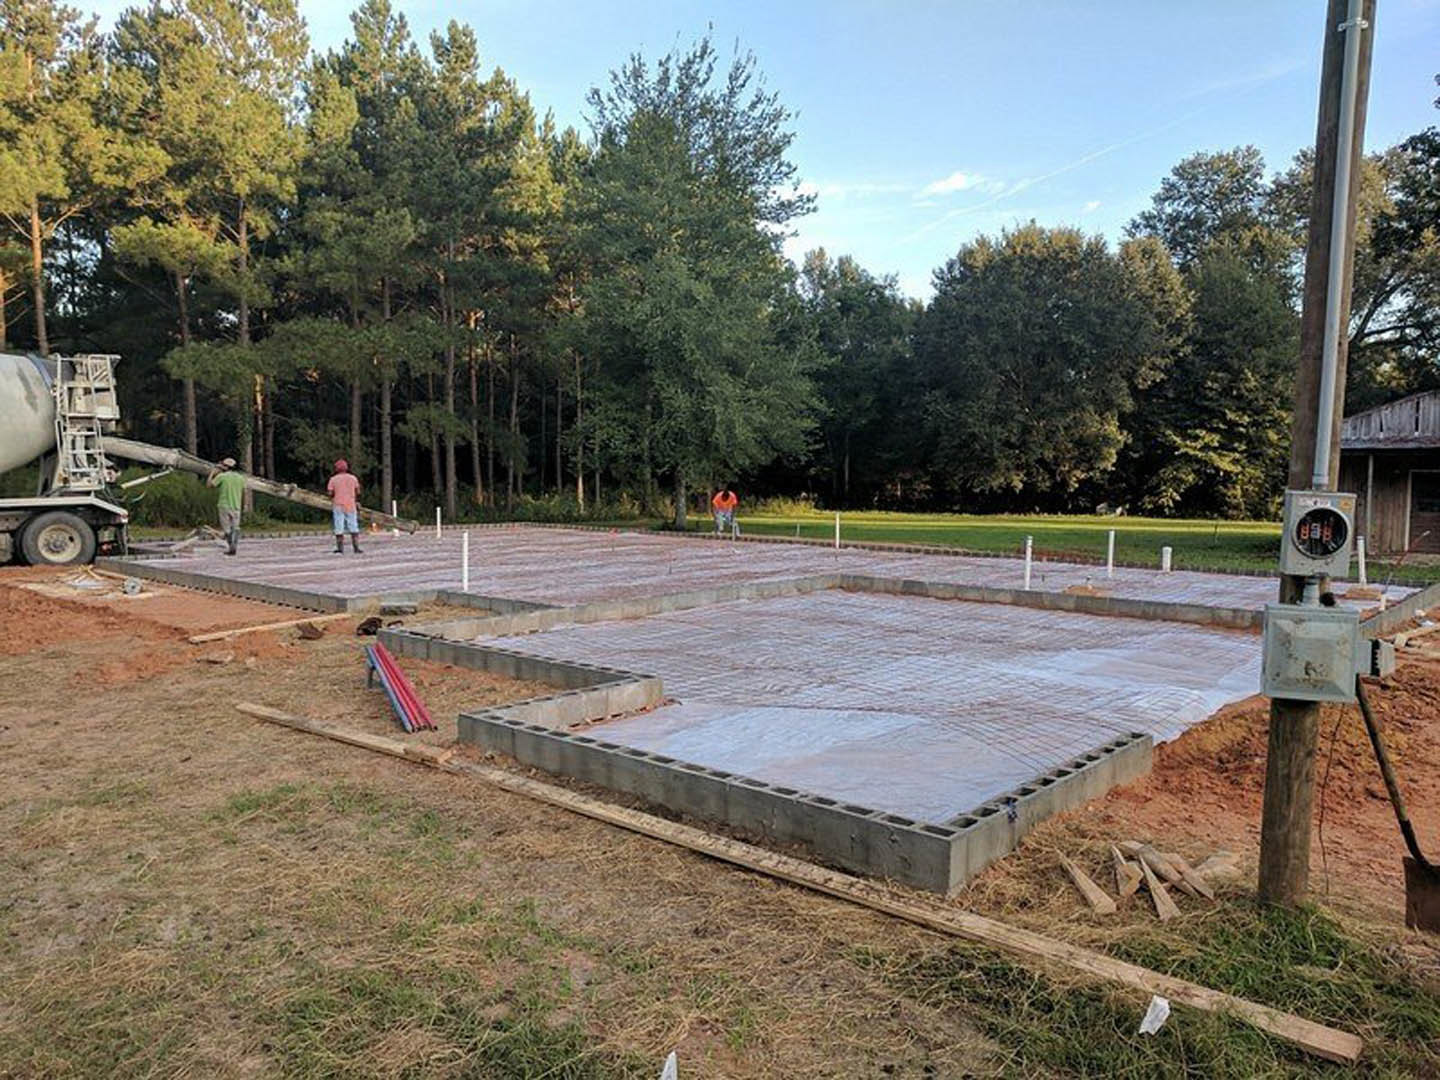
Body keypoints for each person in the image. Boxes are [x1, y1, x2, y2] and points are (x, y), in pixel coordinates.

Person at [206, 457, 246, 556]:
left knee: (227, 530)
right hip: (236, 506)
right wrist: (244, 505)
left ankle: (230, 548)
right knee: (236, 528)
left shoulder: (222, 476)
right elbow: (243, 493)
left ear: (226, 467)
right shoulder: (241, 478)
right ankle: (234, 547)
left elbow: (209, 485)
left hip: (224, 506)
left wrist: (212, 473)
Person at [327, 459, 363, 554]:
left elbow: (330, 493)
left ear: (336, 469)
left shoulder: (333, 479)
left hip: (338, 504)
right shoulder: (353, 478)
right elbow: (358, 491)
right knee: (353, 525)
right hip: (351, 504)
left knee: (339, 526)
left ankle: (340, 548)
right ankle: (356, 548)